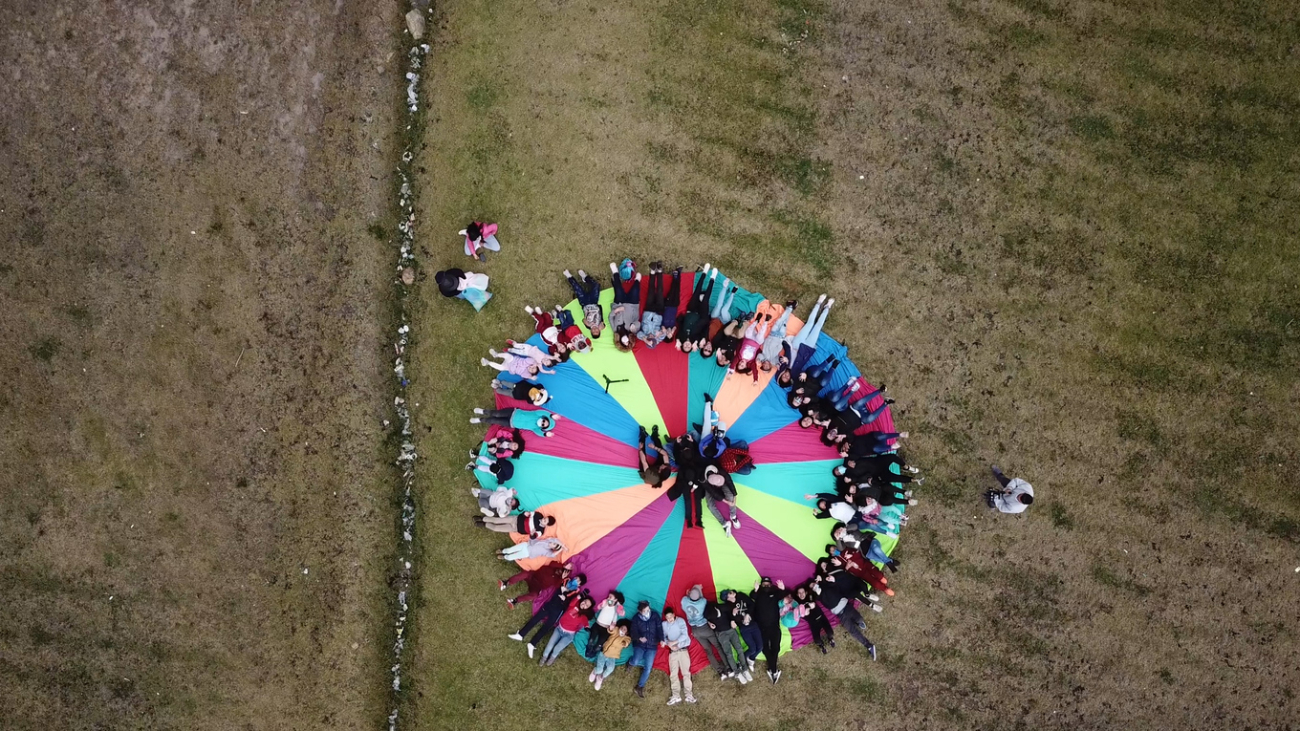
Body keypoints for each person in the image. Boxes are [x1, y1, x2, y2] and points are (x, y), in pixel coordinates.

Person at [509, 577, 586, 657]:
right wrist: (562, 588)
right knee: (535, 619)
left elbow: (569, 605)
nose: (576, 581)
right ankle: (521, 634)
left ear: (579, 584)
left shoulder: (576, 593)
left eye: (578, 581)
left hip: (558, 611)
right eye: (576, 578)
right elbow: (556, 586)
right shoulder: (566, 581)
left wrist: (565, 597)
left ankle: (532, 644)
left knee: (546, 628)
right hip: (550, 605)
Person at [811, 576, 877, 660]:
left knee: (859, 619)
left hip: (847, 607)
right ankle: (869, 645)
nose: (814, 586)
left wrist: (821, 581)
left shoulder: (826, 585)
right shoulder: (818, 597)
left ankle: (859, 621)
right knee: (852, 631)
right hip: (840, 615)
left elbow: (832, 584)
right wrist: (816, 589)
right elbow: (813, 597)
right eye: (812, 587)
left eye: (814, 584)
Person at [777, 294, 834, 383]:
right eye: (787, 378)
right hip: (806, 349)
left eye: (783, 377)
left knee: (809, 324)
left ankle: (818, 303)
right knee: (817, 327)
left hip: (797, 343)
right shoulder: (795, 374)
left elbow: (782, 352)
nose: (786, 376)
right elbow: (803, 373)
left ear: (781, 375)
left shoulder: (781, 365)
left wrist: (784, 359)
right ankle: (827, 308)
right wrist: (804, 374)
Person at [680, 585, 727, 678]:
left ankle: (720, 672)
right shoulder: (703, 602)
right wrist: (699, 589)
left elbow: (687, 595)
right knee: (718, 646)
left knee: (708, 650)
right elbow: (701, 597)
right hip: (704, 627)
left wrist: (689, 593)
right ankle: (728, 668)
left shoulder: (684, 601)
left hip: (695, 630)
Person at [540, 595, 596, 666]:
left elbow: (585, 622)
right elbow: (572, 602)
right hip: (559, 629)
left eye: (587, 605)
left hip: (569, 635)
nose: (584, 604)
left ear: (587, 608)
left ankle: (552, 657)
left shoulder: (583, 616)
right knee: (550, 644)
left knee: (557, 647)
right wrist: (579, 597)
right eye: (584, 602)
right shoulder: (573, 605)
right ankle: (544, 657)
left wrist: (587, 627)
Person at [705, 598, 751, 683]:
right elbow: (705, 619)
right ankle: (737, 672)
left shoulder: (723, 607)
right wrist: (709, 623)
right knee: (728, 653)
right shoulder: (708, 613)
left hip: (730, 630)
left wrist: (732, 620)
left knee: (739, 649)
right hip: (721, 634)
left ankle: (744, 669)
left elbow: (731, 612)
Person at [751, 577, 787, 683]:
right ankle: (774, 671)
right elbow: (752, 596)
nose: (766, 585)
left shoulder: (775, 593)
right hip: (761, 627)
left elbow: (783, 596)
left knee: (775, 648)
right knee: (765, 648)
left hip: (774, 625)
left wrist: (782, 588)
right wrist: (756, 589)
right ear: (761, 585)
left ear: (771, 585)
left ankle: (773, 670)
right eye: (764, 584)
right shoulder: (758, 594)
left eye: (768, 584)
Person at [498, 560, 571, 609]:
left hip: (537, 586)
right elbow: (552, 563)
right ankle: (506, 583)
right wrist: (563, 566)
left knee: (535, 595)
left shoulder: (557, 580)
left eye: (561, 572)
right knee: (526, 573)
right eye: (561, 570)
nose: (559, 571)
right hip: (533, 576)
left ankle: (515, 601)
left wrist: (562, 578)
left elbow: (557, 586)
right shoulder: (553, 566)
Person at [660, 607, 696, 705]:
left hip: (683, 649)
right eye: (667, 618)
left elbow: (685, 635)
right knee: (673, 674)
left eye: (671, 616)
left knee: (686, 673)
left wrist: (675, 643)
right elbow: (662, 637)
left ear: (674, 615)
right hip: (672, 652)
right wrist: (668, 643)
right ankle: (676, 695)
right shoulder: (664, 624)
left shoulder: (680, 621)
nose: (669, 619)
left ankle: (689, 694)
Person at [627, 601, 662, 698]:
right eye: (645, 611)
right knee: (636, 660)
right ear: (640, 612)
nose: (648, 612)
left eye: (648, 609)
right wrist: (639, 638)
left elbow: (659, 628)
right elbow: (633, 631)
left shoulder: (655, 615)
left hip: (652, 645)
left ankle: (639, 687)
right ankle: (631, 663)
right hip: (640, 644)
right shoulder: (636, 618)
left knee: (648, 668)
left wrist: (661, 639)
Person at [675, 266, 715, 352]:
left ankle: (704, 273)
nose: (687, 345)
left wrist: (678, 340)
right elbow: (704, 330)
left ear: (682, 345)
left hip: (691, 310)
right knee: (706, 299)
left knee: (696, 292)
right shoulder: (696, 339)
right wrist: (699, 340)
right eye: (688, 348)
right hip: (701, 314)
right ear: (691, 347)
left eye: (684, 347)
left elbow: (677, 334)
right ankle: (712, 278)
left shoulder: (681, 336)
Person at [723, 588, 763, 673]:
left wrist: (748, 614)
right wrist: (733, 615)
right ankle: (741, 660)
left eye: (732, 591)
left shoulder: (741, 596)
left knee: (760, 646)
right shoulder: (727, 607)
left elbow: (752, 604)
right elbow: (731, 621)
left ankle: (751, 659)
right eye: (730, 593)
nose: (733, 592)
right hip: (744, 628)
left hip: (753, 624)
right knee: (752, 649)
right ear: (727, 597)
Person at [609, 260, 641, 351]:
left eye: (624, 344)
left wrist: (616, 310)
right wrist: (633, 326)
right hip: (632, 305)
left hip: (619, 304)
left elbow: (610, 317)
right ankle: (637, 280)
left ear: (620, 342)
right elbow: (638, 323)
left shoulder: (615, 329)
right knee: (635, 289)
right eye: (628, 343)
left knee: (618, 289)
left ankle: (615, 272)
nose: (626, 342)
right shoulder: (632, 331)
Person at [589, 620, 631, 690]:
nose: (623, 630)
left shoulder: (626, 638)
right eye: (622, 627)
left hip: (613, 656)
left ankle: (600, 678)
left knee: (610, 668)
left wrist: (624, 643)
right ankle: (594, 672)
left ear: (626, 632)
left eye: (624, 629)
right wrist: (611, 628)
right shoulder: (616, 630)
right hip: (604, 652)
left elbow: (627, 642)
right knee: (599, 669)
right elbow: (611, 630)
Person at [585, 591, 626, 660]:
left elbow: (621, 614)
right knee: (591, 639)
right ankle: (589, 648)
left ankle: (594, 651)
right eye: (608, 596)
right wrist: (605, 602)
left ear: (615, 599)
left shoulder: (617, 608)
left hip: (606, 628)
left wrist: (619, 606)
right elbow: (599, 607)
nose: (608, 598)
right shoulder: (606, 602)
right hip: (598, 624)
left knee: (600, 644)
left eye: (610, 597)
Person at [564, 269, 605, 338]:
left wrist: (589, 325)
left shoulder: (588, 326)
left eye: (593, 332)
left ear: (591, 331)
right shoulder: (600, 325)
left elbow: (584, 320)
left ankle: (569, 276)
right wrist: (601, 328)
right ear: (599, 330)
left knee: (577, 289)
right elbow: (603, 326)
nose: (595, 330)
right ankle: (585, 278)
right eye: (597, 331)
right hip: (594, 301)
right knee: (596, 285)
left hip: (584, 303)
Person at [794, 583, 834, 653]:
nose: (801, 594)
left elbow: (815, 593)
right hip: (813, 623)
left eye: (803, 592)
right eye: (799, 593)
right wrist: (804, 614)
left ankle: (830, 639)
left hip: (821, 617)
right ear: (797, 595)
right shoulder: (798, 603)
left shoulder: (810, 596)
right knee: (817, 640)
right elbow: (799, 613)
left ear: (805, 592)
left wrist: (813, 605)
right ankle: (822, 646)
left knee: (830, 632)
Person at [470, 407, 560, 437]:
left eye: (543, 425)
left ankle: (480, 420)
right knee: (496, 414)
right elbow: (542, 412)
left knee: (494, 420)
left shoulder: (535, 428)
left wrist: (545, 434)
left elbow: (539, 433)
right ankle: (482, 411)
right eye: (545, 421)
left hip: (511, 424)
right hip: (513, 412)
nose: (543, 422)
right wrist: (551, 416)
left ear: (542, 427)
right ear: (545, 418)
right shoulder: (537, 414)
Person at [481, 348, 556, 379]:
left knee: (501, 367)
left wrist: (531, 377)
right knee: (507, 355)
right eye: (533, 368)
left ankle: (488, 362)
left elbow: (529, 376)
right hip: (512, 360)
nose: (532, 368)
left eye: (532, 370)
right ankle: (496, 355)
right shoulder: (529, 362)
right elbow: (532, 360)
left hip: (508, 367)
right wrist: (535, 364)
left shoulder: (526, 373)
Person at [474, 511, 555, 539]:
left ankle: (485, 524)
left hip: (515, 528)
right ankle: (483, 518)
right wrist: (525, 514)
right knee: (496, 520)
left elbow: (533, 537)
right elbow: (527, 513)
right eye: (545, 518)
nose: (543, 519)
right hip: (515, 519)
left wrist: (533, 534)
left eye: (545, 521)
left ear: (546, 525)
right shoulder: (538, 515)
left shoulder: (541, 531)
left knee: (496, 528)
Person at [497, 537, 565, 562]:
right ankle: (503, 551)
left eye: (554, 545)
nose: (552, 543)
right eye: (554, 543)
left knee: (510, 557)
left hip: (527, 553)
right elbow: (555, 539)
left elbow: (553, 555)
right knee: (509, 550)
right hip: (526, 545)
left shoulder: (548, 552)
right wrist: (563, 545)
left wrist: (560, 549)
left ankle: (505, 557)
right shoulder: (547, 541)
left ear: (553, 548)